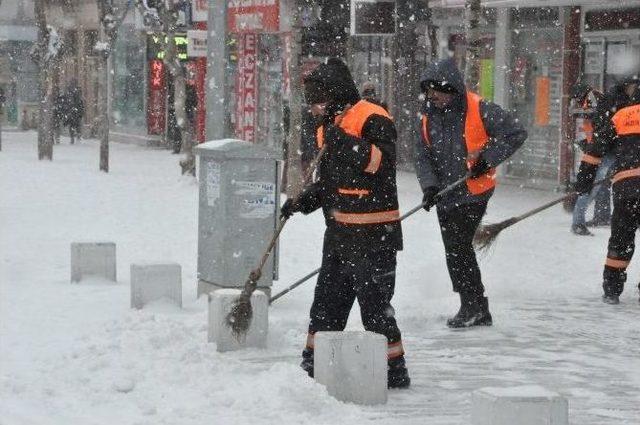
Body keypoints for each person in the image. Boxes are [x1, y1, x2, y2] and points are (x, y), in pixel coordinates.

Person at [281, 57, 410, 388]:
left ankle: (393, 370)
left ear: (335, 96)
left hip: (373, 234)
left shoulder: (373, 117)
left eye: (317, 102)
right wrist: (304, 201)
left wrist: (341, 140)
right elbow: (330, 181)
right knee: (327, 303)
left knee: (375, 308)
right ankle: (315, 362)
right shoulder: (328, 125)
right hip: (339, 233)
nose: (313, 110)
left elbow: (379, 164)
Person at [415, 58, 527, 328]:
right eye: (430, 92)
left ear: (452, 88)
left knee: (458, 248)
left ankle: (472, 305)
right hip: (445, 193)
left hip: (474, 190)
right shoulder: (427, 117)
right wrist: (429, 187)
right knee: (454, 249)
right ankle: (476, 306)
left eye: (439, 91)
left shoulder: (479, 108)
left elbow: (515, 133)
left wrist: (486, 160)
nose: (434, 97)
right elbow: (423, 156)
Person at [575, 75, 640, 304]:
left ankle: (612, 290)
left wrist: (584, 179)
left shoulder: (622, 116)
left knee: (621, 239)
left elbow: (596, 150)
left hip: (627, 188)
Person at [570, 83, 613, 236]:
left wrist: (591, 143)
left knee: (593, 184)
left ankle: (581, 220)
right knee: (599, 183)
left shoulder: (592, 98)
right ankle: (598, 216)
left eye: (576, 99)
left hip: (601, 149)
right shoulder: (595, 98)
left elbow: (597, 124)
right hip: (603, 148)